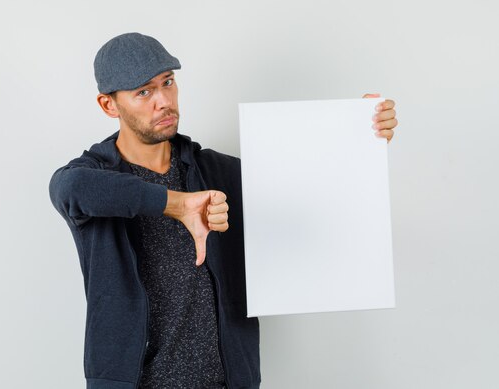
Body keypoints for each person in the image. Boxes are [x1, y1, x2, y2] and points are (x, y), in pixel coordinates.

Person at [49, 32, 398, 389]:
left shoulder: (215, 172)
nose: (164, 101)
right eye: (144, 92)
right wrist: (177, 204)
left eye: (168, 82)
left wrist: (358, 131)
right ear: (109, 106)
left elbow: (306, 188)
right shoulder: (94, 177)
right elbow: (67, 188)